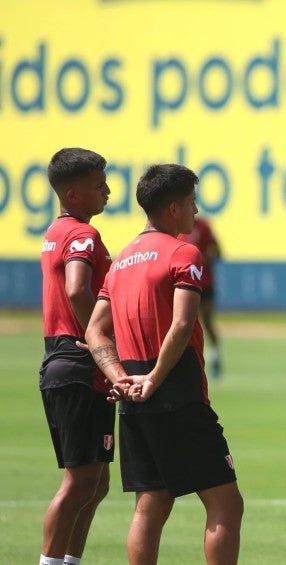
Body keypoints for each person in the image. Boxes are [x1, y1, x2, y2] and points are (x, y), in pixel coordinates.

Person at [84, 164, 244, 564]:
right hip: (178, 393)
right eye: (192, 201)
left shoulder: (121, 262)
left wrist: (121, 380)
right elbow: (183, 322)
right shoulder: (183, 252)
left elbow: (94, 332)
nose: (196, 209)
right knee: (226, 503)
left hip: (133, 400)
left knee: (150, 505)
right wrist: (154, 377)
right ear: (173, 208)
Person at [38, 148, 114, 565]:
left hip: (63, 357)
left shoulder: (55, 231)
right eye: (97, 183)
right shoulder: (83, 235)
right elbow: (75, 288)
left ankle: (69, 562)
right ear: (73, 193)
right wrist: (100, 340)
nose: (107, 189)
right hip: (78, 359)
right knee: (81, 480)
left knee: (95, 481)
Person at [179, 217, 223, 378]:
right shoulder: (176, 229)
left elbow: (218, 251)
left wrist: (203, 259)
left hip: (205, 282)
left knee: (207, 321)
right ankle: (190, 359)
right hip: (186, 284)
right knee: (187, 323)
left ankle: (215, 356)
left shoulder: (202, 226)